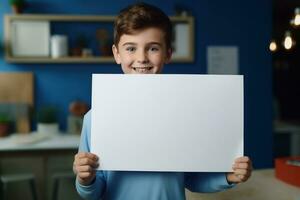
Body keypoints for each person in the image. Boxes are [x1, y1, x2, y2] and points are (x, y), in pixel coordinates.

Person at [73, 2, 252, 200]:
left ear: (168, 53)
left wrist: (229, 176)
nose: (141, 58)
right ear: (117, 54)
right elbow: (93, 192)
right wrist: (85, 179)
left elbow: (192, 179)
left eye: (153, 48)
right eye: (131, 48)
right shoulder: (95, 119)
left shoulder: (184, 115)